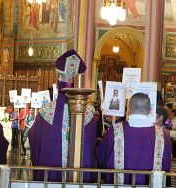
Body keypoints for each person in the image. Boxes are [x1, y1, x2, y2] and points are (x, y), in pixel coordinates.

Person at [29, 49, 97, 182]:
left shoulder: (46, 110)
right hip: (80, 174)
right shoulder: (88, 111)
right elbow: (92, 142)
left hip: (52, 172)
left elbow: (34, 138)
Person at [96, 93, 171, 185]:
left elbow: (101, 157)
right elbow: (166, 166)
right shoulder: (162, 135)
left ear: (129, 108)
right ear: (150, 110)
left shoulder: (115, 131)